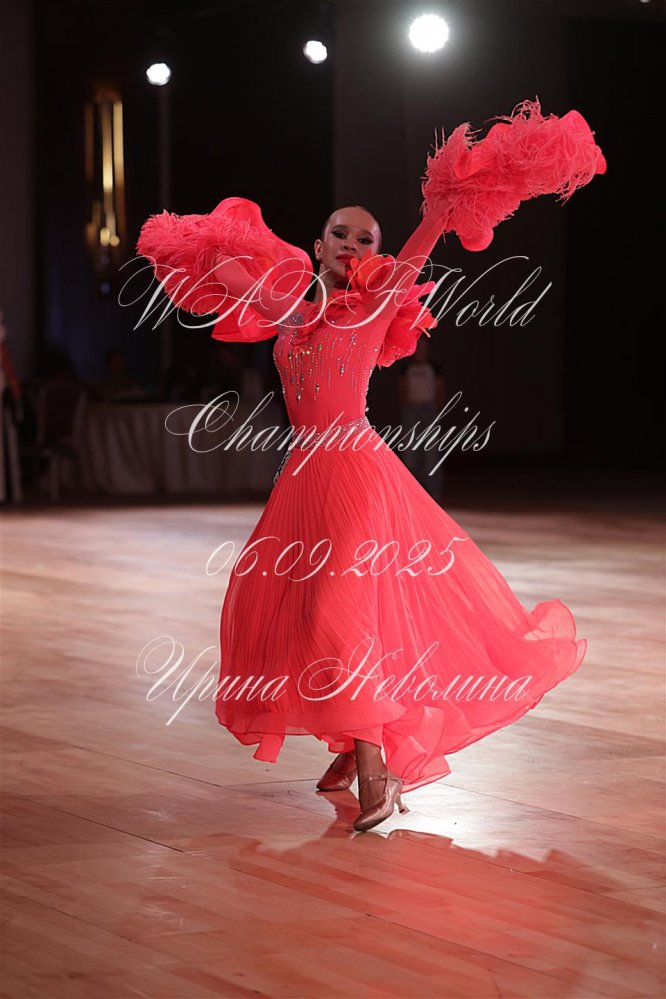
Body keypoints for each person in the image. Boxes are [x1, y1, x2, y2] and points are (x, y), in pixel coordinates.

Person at [137, 98, 604, 832]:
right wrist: (208, 249)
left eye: (366, 237)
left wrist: (444, 206)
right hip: (303, 480)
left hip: (356, 475)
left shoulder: (373, 307)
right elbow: (237, 282)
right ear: (318, 244)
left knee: (339, 613)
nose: (352, 244)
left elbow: (422, 242)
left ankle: (375, 770)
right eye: (340, 233)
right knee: (300, 615)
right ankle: (351, 745)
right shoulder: (293, 314)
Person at [398, 337, 446, 502]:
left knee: (431, 452)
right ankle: (410, 492)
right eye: (417, 347)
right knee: (410, 451)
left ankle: (433, 492)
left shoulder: (434, 368)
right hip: (411, 410)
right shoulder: (407, 368)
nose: (420, 351)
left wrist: (435, 408)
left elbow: (440, 389)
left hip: (429, 410)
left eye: (423, 347)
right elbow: (402, 389)